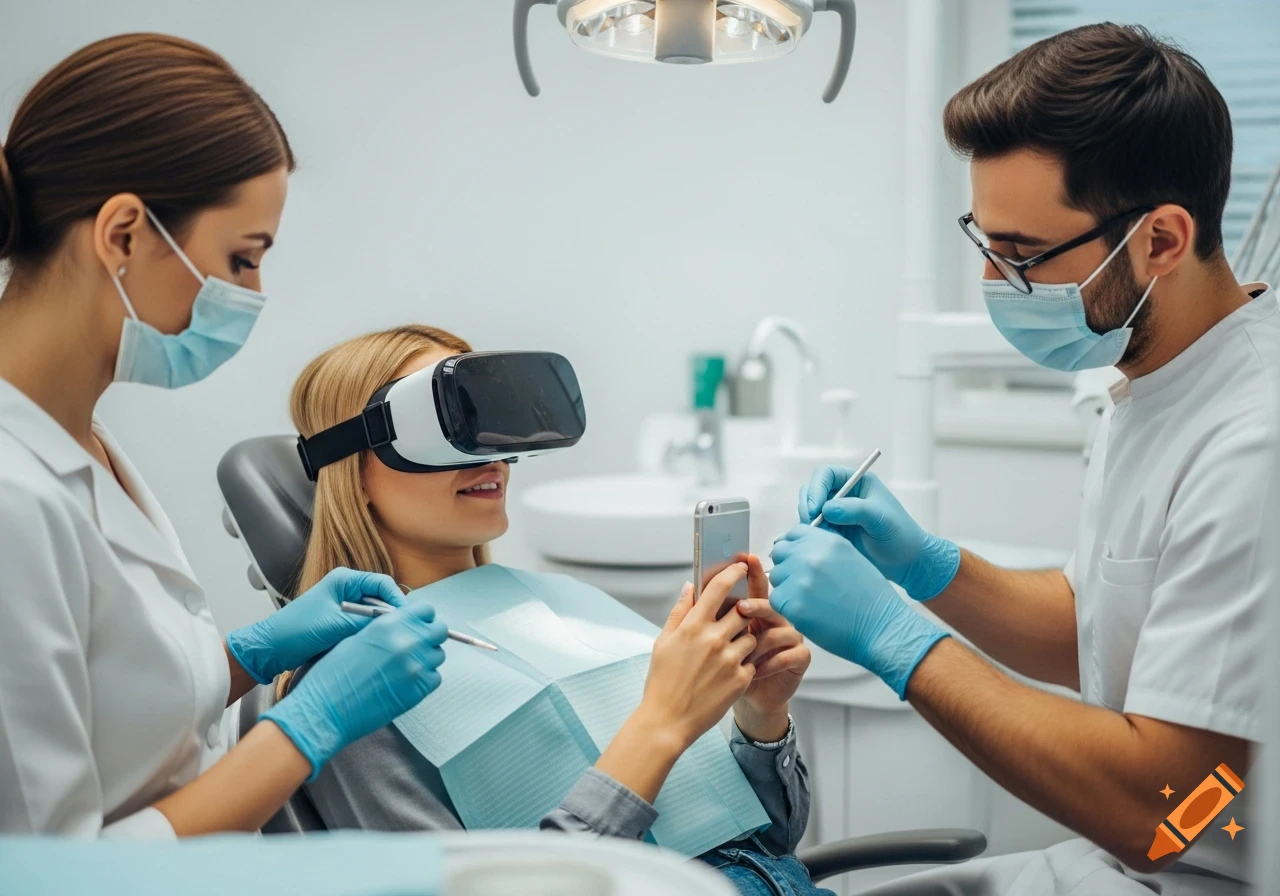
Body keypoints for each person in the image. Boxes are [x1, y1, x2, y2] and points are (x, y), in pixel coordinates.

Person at [768, 23, 1273, 896]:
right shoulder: (1155, 374)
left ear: (1161, 240)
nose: (1000, 285)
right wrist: (926, 564)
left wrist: (898, 641)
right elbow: (1101, 627)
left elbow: (1175, 804)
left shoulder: (1253, 439)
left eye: (1025, 255)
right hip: (1109, 863)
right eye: (987, 246)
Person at [0, 35, 451, 838]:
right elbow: (49, 875)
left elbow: (115, 696)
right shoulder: (10, 498)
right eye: (242, 259)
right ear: (124, 234)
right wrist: (305, 730)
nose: (254, 292)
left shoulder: (82, 442)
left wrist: (245, 654)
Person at [264, 324, 830, 896]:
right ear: (353, 470)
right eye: (442, 428)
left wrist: (761, 721)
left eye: (486, 421)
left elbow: (773, 839)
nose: (489, 457)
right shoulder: (348, 687)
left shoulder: (565, 601)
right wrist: (660, 725)